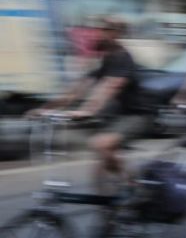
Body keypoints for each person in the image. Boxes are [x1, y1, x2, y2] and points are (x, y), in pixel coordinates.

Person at [27, 16, 151, 196]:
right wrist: (45, 109)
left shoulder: (123, 57)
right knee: (99, 145)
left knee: (101, 143)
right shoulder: (105, 59)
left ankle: (132, 185)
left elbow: (111, 86)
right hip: (118, 114)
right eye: (97, 29)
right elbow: (77, 89)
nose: (98, 34)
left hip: (138, 115)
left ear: (117, 34)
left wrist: (88, 110)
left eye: (104, 30)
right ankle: (121, 182)